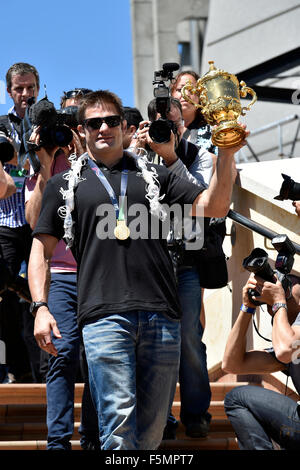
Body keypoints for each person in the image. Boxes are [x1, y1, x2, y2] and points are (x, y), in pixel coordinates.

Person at [27, 89, 248, 450]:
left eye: (111, 121)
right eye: (93, 123)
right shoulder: (64, 184)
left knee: (151, 432)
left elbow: (216, 205)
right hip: (103, 317)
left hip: (162, 316)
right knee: (118, 425)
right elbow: (41, 248)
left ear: (124, 127)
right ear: (81, 130)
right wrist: (40, 308)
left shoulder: (156, 175)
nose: (103, 129)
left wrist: (226, 152)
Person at [131, 96, 224, 439]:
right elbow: (123, 193)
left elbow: (201, 198)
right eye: (158, 126)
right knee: (150, 340)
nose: (164, 132)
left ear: (182, 124)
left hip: (185, 259)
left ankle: (196, 412)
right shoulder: (139, 154)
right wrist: (138, 150)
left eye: (171, 125)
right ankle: (161, 417)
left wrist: (169, 156)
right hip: (148, 261)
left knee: (187, 336)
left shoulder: (198, 154)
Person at [25, 88, 98, 450]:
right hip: (62, 277)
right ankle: (58, 441)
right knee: (62, 353)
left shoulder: (98, 158)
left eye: (75, 121)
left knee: (97, 356)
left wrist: (83, 154)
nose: (67, 129)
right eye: (63, 120)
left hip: (97, 274)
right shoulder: (46, 162)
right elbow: (33, 219)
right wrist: (44, 164)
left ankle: (93, 439)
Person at [222, 272, 300, 450]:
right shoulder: (288, 347)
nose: (281, 286)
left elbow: (286, 349)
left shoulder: (289, 346)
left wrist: (279, 301)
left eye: (290, 282)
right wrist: (247, 307)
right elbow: (232, 363)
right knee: (237, 398)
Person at [0, 62, 40, 383]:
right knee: (7, 299)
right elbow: (28, 171)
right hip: (5, 221)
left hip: (39, 222)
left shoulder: (46, 120)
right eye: (19, 89)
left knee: (44, 296)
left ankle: (45, 368)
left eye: (30, 88)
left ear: (38, 88)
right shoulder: (0, 125)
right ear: (9, 91)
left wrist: (19, 168)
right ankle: (18, 369)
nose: (25, 94)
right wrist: (26, 169)